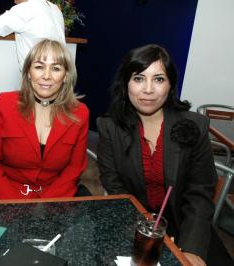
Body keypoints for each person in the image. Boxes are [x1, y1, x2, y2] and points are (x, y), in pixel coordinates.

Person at [96, 44, 233, 265]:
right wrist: (147, 229)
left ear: (170, 85)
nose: (148, 89)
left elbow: (199, 194)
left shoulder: (194, 125)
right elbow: (116, 189)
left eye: (158, 79)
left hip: (186, 226)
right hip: (134, 224)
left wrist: (192, 249)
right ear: (126, 84)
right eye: (139, 78)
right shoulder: (109, 127)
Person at [0, 39, 89, 199]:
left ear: (66, 76)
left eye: (56, 68)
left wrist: (47, 205)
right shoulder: (4, 104)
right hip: (7, 194)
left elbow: (74, 168)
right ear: (28, 73)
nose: (46, 76)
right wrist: (13, 203)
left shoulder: (80, 113)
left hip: (55, 198)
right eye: (39, 67)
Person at [0, 0, 66, 70]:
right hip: (59, 74)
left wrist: (5, 14)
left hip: (38, 76)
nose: (14, 1)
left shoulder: (25, 8)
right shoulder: (55, 9)